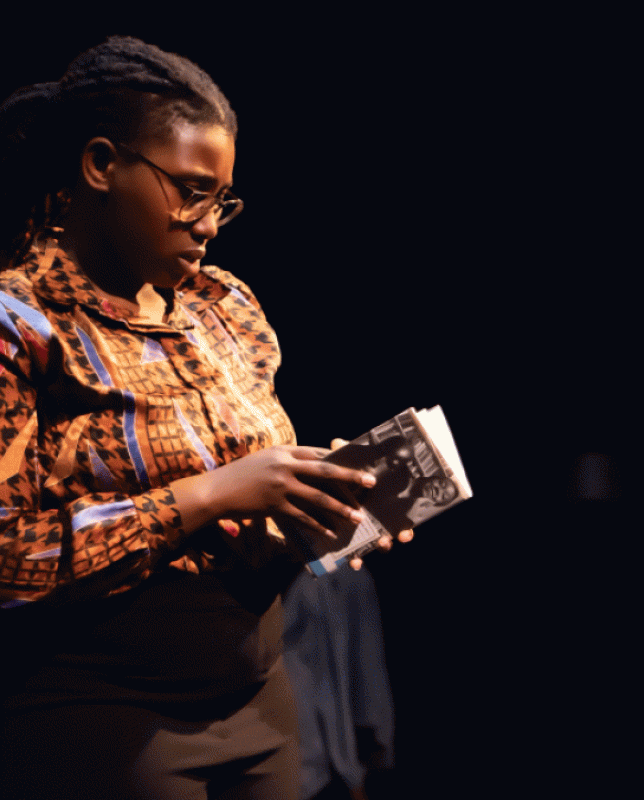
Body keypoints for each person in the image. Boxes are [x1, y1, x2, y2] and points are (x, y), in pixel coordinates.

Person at [0, 36, 397, 799]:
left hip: (259, 691)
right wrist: (209, 494)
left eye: (222, 200)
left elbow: (255, 482)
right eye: (189, 190)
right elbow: (10, 560)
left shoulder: (225, 306)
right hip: (101, 709)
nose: (208, 223)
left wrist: (322, 494)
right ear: (100, 166)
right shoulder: (22, 323)